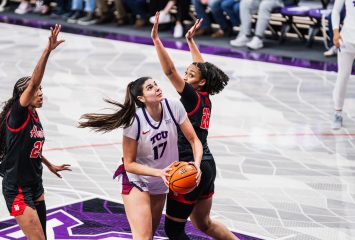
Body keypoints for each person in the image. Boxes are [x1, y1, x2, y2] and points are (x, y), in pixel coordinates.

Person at [79, 77, 203, 239]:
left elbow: (194, 140)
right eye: (150, 88)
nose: (157, 88)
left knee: (149, 234)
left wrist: (197, 165)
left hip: (162, 178)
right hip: (136, 179)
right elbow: (129, 164)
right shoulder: (135, 121)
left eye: (156, 84)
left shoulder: (173, 106)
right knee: (143, 237)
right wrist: (159, 172)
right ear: (141, 98)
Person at [151, 12, 239, 240]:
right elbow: (202, 69)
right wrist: (191, 42)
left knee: (173, 229)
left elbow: (169, 72)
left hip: (191, 167)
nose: (185, 76)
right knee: (203, 223)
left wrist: (157, 41)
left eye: (190, 75)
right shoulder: (205, 95)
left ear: (199, 83)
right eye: (186, 73)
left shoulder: (192, 98)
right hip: (208, 165)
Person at [0, 25, 71, 239]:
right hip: (17, 187)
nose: (40, 93)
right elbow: (34, 82)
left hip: (35, 184)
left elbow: (29, 146)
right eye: (36, 90)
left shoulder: (33, 115)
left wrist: (49, 164)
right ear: (24, 95)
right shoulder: (18, 115)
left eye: (41, 89)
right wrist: (47, 51)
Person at [332, 0, 355, 129]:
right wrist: (336, 31)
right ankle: (337, 112)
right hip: (347, 39)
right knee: (343, 76)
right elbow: (335, 10)